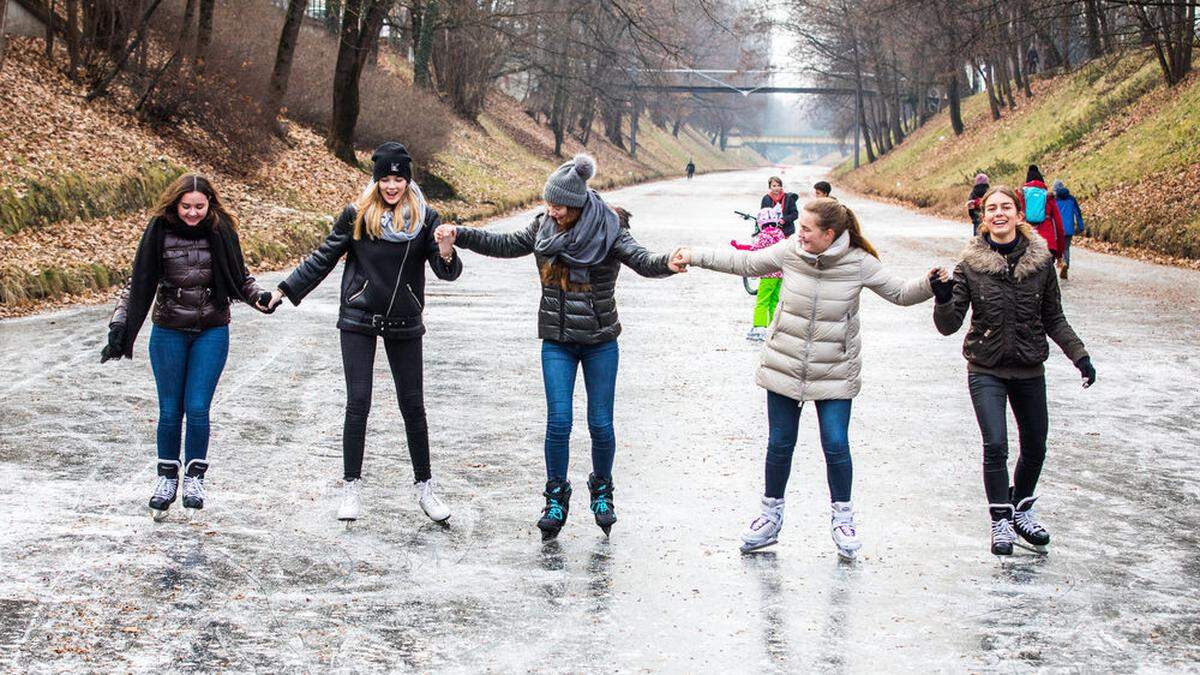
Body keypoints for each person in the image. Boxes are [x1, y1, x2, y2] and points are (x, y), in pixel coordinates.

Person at [672, 198, 940, 559]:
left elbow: (900, 293)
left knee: (835, 443)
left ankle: (843, 518)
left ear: (830, 235)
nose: (799, 235)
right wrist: (694, 254)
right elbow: (746, 262)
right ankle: (770, 517)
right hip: (785, 364)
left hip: (834, 369)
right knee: (780, 443)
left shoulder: (858, 263)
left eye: (807, 230)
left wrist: (930, 282)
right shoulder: (791, 251)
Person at [435, 154, 681, 540]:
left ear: (578, 202)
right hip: (558, 341)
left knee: (600, 423)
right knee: (559, 421)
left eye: (559, 204)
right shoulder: (543, 226)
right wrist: (460, 234)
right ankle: (555, 496)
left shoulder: (609, 227)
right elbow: (502, 243)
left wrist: (668, 262)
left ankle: (602, 490)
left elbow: (642, 260)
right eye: (549, 202)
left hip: (600, 341)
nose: (552, 210)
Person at [266, 142, 462, 525]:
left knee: (413, 405)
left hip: (405, 319)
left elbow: (447, 272)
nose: (392, 186)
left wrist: (446, 249)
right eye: (386, 179)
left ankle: (425, 487)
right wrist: (284, 291)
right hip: (359, 317)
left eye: (399, 179)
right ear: (376, 180)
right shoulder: (357, 215)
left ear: (409, 180)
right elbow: (322, 258)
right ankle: (351, 487)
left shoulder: (425, 218)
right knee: (358, 402)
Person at [931, 186, 1095, 556]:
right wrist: (942, 298)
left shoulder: (1041, 264)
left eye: (1006, 207)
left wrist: (1079, 356)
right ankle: (1000, 519)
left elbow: (1054, 318)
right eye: (992, 209)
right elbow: (949, 324)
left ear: (1020, 215)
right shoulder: (970, 266)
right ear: (984, 219)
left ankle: (1021, 509)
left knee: (1035, 446)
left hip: (1029, 367)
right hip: (985, 367)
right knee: (996, 445)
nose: (999, 213)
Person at [101, 174, 276, 520]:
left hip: (211, 330)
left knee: (197, 407)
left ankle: (194, 479)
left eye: (199, 206)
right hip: (169, 331)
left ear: (210, 203)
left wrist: (260, 297)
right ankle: (166, 479)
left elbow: (241, 277)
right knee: (170, 409)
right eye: (186, 206)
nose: (193, 213)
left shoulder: (222, 230)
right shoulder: (158, 232)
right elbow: (137, 282)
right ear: (175, 203)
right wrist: (120, 323)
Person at [730, 208, 786, 341]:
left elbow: (754, 249)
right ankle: (774, 327)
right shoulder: (780, 233)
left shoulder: (763, 236)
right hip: (780, 275)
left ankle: (759, 328)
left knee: (762, 301)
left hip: (768, 275)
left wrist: (739, 246)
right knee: (775, 301)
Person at [1022, 165, 1065, 260]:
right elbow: (1059, 226)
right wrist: (1059, 252)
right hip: (1047, 244)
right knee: (1046, 273)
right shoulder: (1049, 197)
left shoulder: (1021, 196)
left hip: (1025, 244)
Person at [1052, 180, 1085, 280]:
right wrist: (1081, 226)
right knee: (1066, 248)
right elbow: (1077, 213)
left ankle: (1060, 264)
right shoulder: (1071, 199)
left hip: (1057, 229)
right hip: (1069, 228)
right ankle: (1065, 264)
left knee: (1056, 248)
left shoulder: (1054, 200)